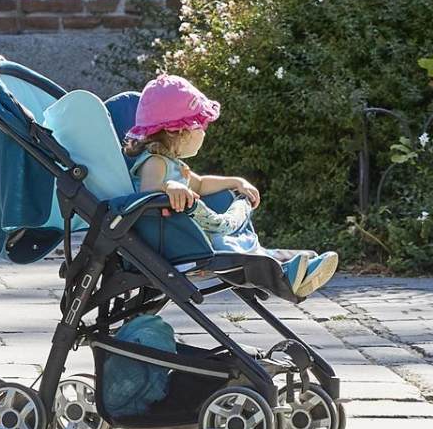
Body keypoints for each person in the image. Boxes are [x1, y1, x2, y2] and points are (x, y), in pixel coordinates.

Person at [124, 74, 340, 299]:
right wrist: (169, 187)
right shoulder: (155, 162)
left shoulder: (172, 163)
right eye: (201, 125)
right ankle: (286, 275)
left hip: (189, 237)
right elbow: (146, 196)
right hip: (176, 245)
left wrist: (235, 182)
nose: (204, 132)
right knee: (232, 249)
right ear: (176, 131)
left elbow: (200, 184)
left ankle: (295, 267)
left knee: (236, 244)